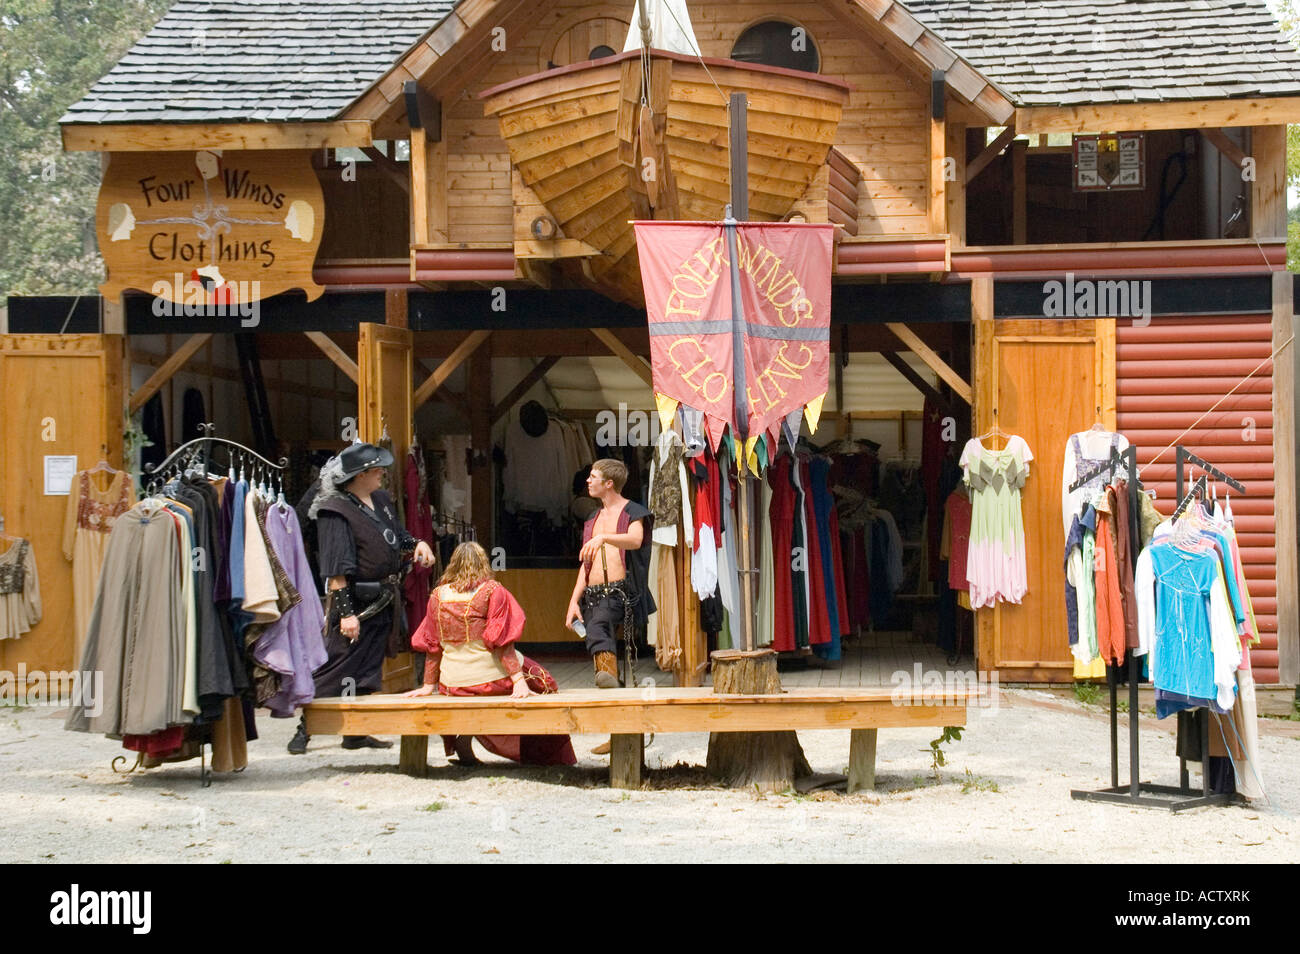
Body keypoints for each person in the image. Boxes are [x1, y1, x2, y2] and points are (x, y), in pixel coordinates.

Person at [288, 442, 436, 754]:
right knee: (336, 665)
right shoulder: (334, 510)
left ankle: (356, 732)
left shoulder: (380, 499)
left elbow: (397, 534)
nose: (383, 473)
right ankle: (305, 728)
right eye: (376, 470)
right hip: (355, 602)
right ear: (360, 475)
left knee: (368, 670)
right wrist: (346, 614)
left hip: (384, 598)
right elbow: (336, 570)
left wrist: (418, 543)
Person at [402, 542, 576, 766]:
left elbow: (432, 646)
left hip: (452, 684)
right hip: (488, 680)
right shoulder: (493, 590)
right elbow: (503, 643)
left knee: (473, 697)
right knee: (544, 682)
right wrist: (518, 681)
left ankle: (463, 739)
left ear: (452, 564)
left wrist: (428, 686)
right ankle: (545, 756)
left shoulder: (437, 595)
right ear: (483, 563)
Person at [565, 458, 655, 688]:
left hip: (621, 592)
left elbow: (635, 540)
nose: (588, 480)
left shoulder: (633, 512)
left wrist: (604, 538)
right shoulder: (592, 518)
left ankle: (608, 676)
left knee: (598, 625)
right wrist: (574, 601)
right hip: (593, 594)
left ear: (609, 483)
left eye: (593, 477)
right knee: (595, 628)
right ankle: (610, 679)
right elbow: (585, 563)